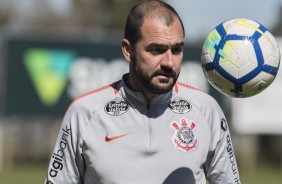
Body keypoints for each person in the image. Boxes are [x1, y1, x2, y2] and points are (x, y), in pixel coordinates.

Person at [45, 0, 241, 183]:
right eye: (156, 50)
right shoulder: (84, 113)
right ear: (128, 50)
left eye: (176, 50)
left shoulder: (206, 111)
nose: (169, 62)